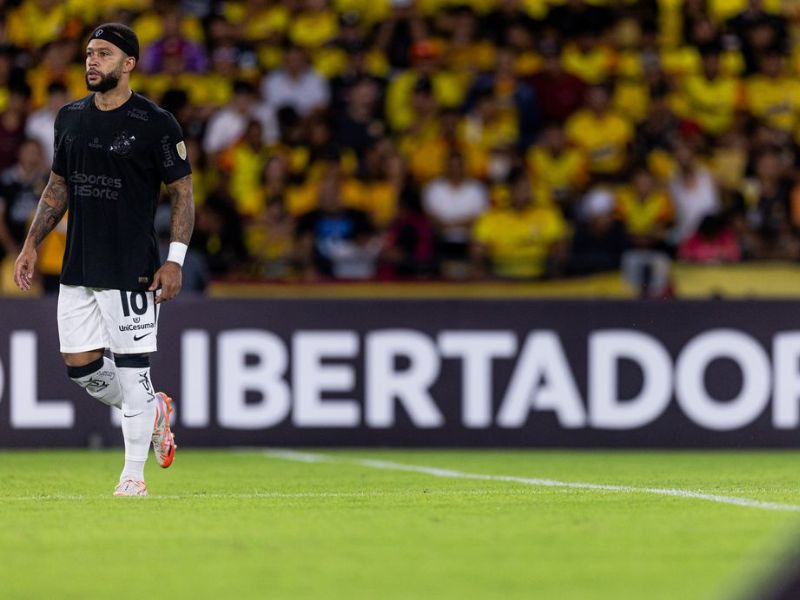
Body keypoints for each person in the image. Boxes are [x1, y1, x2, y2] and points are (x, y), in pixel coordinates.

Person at [12, 23, 195, 498]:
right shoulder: (70, 117)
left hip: (131, 266)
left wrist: (174, 260)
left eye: (104, 54)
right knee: (81, 368)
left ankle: (132, 476)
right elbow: (57, 187)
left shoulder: (156, 124)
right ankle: (153, 409)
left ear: (128, 63)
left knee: (134, 371)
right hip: (79, 266)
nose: (93, 61)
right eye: (90, 54)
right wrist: (32, 243)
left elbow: (182, 193)